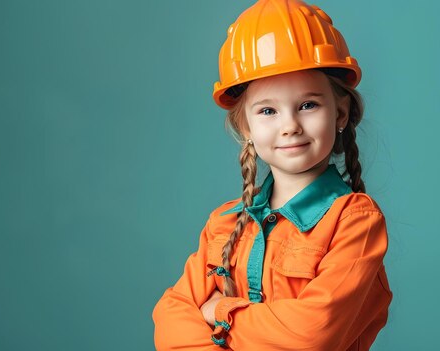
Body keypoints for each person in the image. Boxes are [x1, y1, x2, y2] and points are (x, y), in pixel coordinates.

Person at [152, 0, 393, 350]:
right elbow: (171, 322)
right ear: (245, 126)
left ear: (340, 114)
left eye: (308, 105)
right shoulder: (222, 224)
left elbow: (311, 335)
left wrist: (221, 309)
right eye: (268, 110)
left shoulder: (355, 223)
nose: (290, 126)